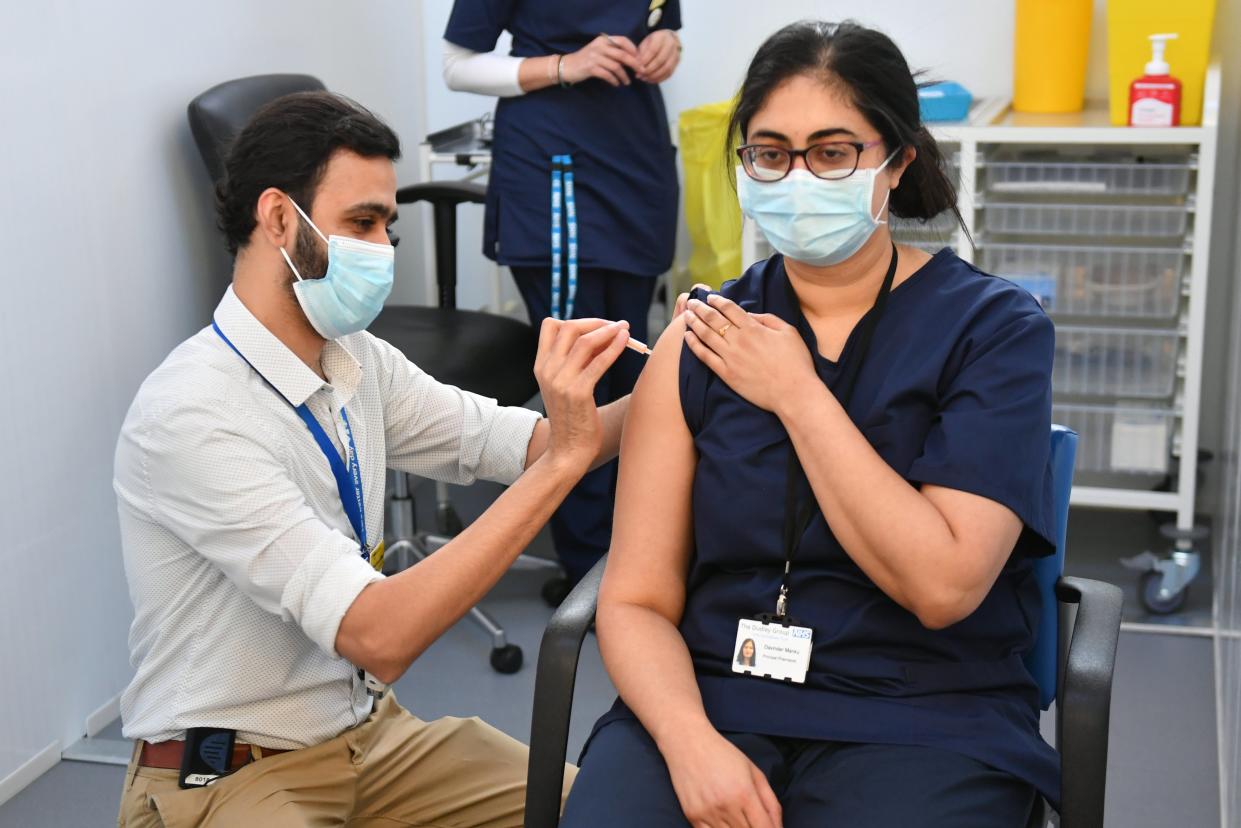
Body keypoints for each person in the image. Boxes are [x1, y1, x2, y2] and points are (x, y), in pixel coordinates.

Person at [561, 20, 1058, 828]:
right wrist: (689, 744)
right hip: (716, 691)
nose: (796, 177)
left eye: (831, 153)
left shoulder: (994, 330)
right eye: (769, 153)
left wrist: (797, 394)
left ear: (896, 162)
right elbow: (636, 600)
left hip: (922, 710)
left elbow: (942, 586)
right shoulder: (701, 335)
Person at [114, 90, 634, 827]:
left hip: (368, 742)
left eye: (389, 225)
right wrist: (560, 468)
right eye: (361, 223)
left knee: (606, 812)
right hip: (231, 774)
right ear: (278, 219)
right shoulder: (192, 414)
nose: (384, 248)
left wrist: (684, 370)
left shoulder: (354, 360)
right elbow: (380, 635)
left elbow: (527, 443)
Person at [441, 0, 683, 597]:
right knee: (579, 377)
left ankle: (645, 544)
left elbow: (662, 25)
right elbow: (458, 67)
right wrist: (563, 65)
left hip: (636, 161)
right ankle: (590, 568)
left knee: (636, 369)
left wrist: (668, 46)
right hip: (556, 171)